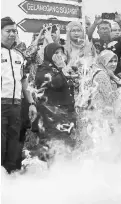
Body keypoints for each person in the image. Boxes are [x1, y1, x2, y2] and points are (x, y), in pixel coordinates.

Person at [1, 17, 37, 173]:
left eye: (14, 31)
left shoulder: (19, 55)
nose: (12, 34)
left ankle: (10, 177)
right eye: (8, 31)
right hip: (1, 104)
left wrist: (31, 103)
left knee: (14, 143)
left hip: (16, 105)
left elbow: (24, 81)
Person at [35, 43, 77, 149]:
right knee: (54, 144)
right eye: (56, 53)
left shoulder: (65, 68)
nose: (60, 56)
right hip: (52, 113)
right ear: (49, 54)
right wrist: (61, 70)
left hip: (67, 111)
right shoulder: (43, 69)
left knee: (69, 143)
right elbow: (55, 83)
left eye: (61, 52)